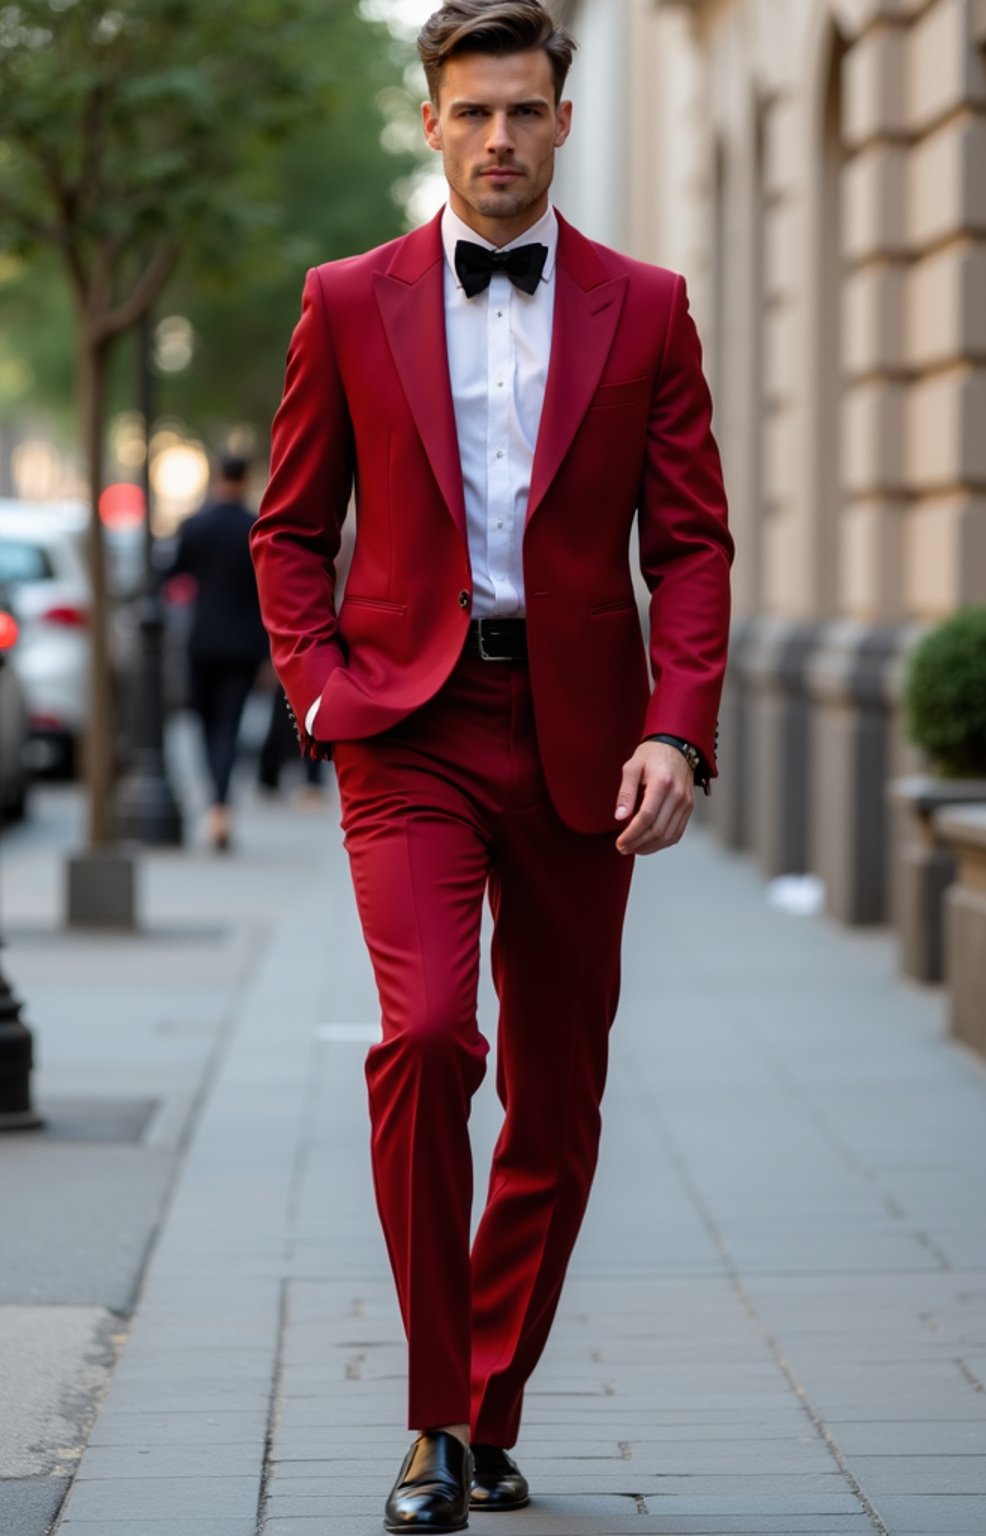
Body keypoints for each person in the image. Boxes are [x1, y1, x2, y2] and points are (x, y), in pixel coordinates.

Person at [251, 2, 733, 1529]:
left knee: (560, 1092)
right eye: (474, 114)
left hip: (587, 743)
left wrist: (678, 723)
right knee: (431, 1041)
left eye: (526, 112)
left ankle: (486, 1404)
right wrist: (323, 691)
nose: (501, 140)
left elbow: (695, 542)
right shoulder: (345, 299)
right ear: (433, 123)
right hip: (408, 730)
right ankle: (432, 1421)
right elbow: (286, 529)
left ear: (563, 124)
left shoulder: (647, 308)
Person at [168, 454, 267, 850]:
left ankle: (215, 803)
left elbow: (171, 576)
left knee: (206, 726)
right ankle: (221, 807)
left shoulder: (195, 526)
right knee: (230, 724)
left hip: (203, 640)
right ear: (246, 479)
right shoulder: (255, 528)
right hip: (245, 643)